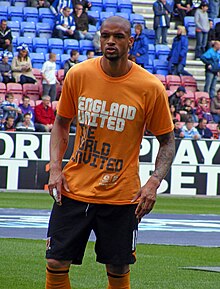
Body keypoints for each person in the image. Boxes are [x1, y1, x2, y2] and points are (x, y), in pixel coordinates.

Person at [45, 16, 175, 289]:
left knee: (118, 266)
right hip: (73, 187)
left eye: (117, 37)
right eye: (105, 36)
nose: (110, 42)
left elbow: (167, 141)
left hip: (121, 195)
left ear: (131, 41)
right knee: (56, 262)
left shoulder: (150, 87)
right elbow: (61, 122)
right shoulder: (79, 74)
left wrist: (153, 182)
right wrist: (55, 167)